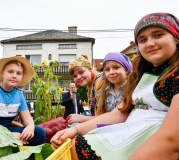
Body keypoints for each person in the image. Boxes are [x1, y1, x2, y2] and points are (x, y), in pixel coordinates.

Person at [51, 12, 179, 160]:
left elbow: (171, 141)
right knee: (74, 145)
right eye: (143, 39)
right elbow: (120, 112)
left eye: (158, 35)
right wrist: (75, 129)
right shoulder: (140, 76)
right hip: (131, 132)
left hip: (152, 141)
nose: (150, 43)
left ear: (176, 37)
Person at [0, 56, 46, 146]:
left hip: (8, 129)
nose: (14, 75)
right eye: (10, 72)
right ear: (2, 73)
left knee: (39, 132)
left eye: (18, 73)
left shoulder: (19, 94)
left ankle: (11, 145)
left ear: (21, 77)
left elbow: (27, 117)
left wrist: (30, 126)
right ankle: (10, 145)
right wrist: (7, 136)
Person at [67, 52, 131, 124]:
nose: (78, 77)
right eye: (75, 76)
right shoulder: (91, 85)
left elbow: (106, 116)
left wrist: (82, 118)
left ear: (90, 69)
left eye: (81, 72)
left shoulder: (100, 82)